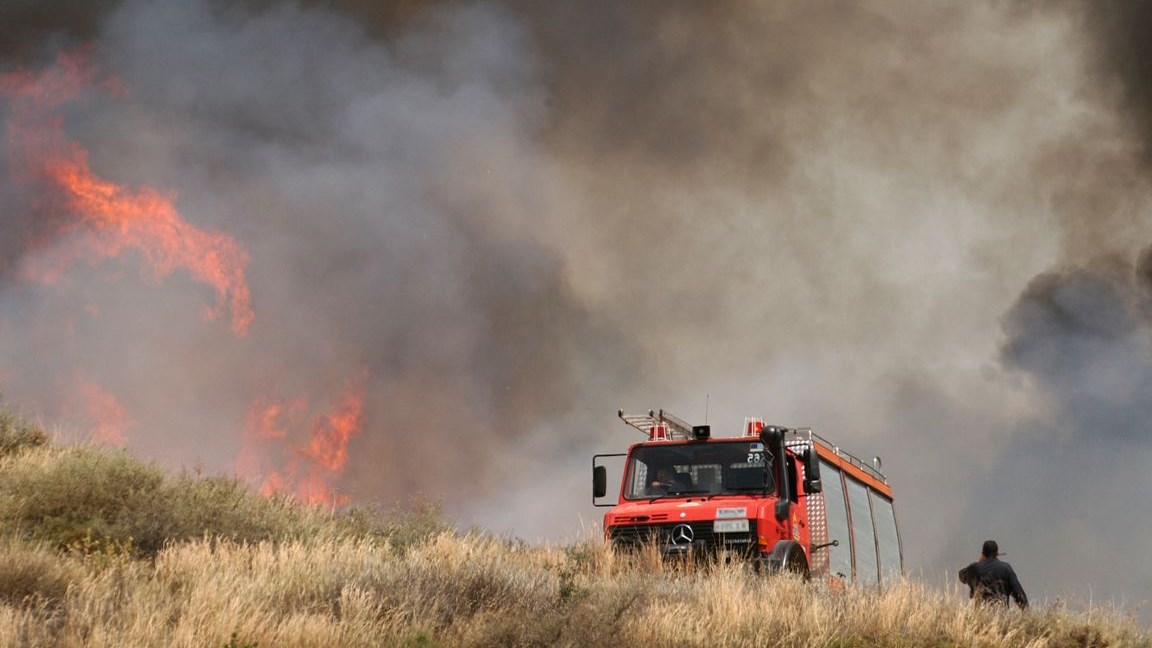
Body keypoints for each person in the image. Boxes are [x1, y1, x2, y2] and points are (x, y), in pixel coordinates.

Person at [958, 540, 1028, 609]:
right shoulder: (1006, 568)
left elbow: (962, 576)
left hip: (981, 615)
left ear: (983, 553)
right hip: (1000, 615)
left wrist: (979, 562)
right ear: (997, 553)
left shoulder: (975, 568)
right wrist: (1025, 610)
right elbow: (1019, 593)